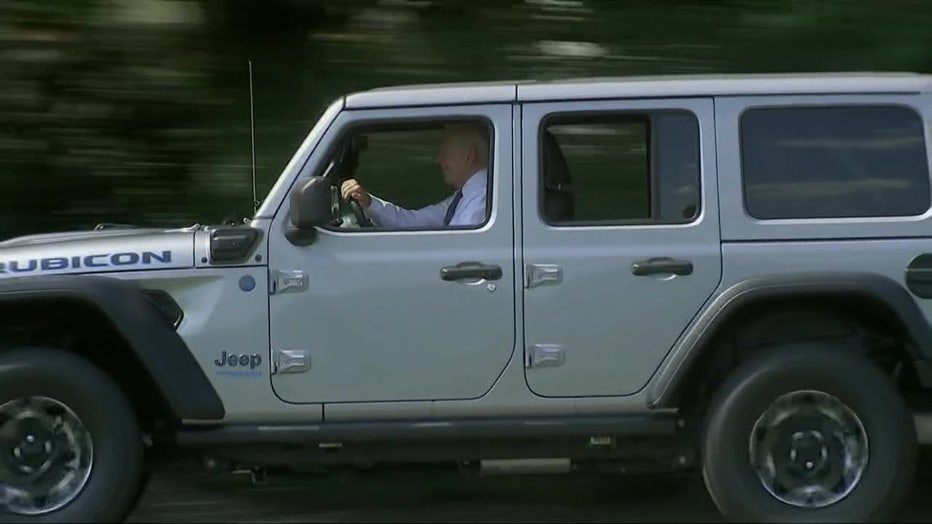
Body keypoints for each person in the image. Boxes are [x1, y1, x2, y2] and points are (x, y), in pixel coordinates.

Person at [340, 123, 489, 228]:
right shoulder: (466, 196)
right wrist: (368, 202)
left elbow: (458, 248)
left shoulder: (483, 198)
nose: (438, 159)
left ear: (469, 156)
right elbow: (414, 222)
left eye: (445, 152)